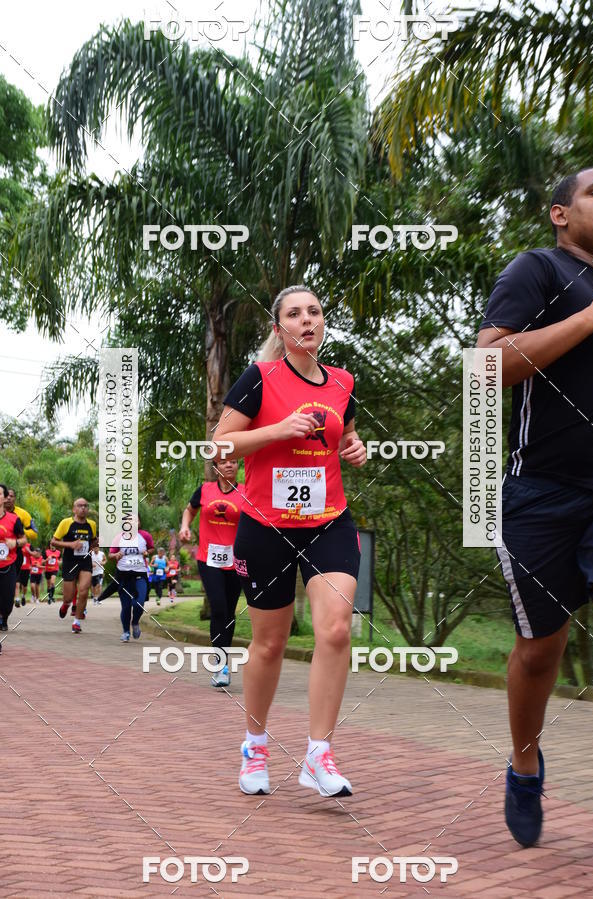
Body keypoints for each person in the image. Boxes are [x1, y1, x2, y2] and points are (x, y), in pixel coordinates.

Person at [477, 167, 593, 847]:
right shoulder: (539, 269)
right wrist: (588, 318)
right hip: (542, 490)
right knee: (537, 650)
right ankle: (525, 759)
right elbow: (486, 366)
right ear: (561, 212)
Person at [213, 285, 366, 797]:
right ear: (279, 329)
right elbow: (220, 443)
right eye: (294, 314)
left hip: (329, 520)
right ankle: (254, 744)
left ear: (323, 324)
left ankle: (318, 754)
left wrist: (352, 446)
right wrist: (278, 430)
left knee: (336, 630)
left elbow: (338, 434)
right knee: (271, 643)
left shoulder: (342, 381)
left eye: (315, 312)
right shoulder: (260, 378)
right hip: (267, 524)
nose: (307, 320)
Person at [179, 459, 245, 687]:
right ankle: (221, 664)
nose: (229, 466)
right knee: (218, 607)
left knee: (229, 611)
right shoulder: (205, 490)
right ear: (216, 469)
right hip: (209, 559)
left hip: (236, 560)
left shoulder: (246, 492)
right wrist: (184, 527)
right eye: (224, 463)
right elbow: (189, 511)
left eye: (234, 462)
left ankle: (223, 661)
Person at [52, 498, 96, 634]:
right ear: (74, 509)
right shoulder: (66, 523)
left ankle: (77, 622)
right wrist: (70, 545)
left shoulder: (92, 525)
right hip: (70, 561)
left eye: (85, 506)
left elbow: (93, 541)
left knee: (83, 591)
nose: (83, 508)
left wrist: (96, 543)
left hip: (85, 561)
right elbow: (54, 542)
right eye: (80, 506)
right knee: (68, 597)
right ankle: (66, 605)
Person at [109, 518, 154, 642]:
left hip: (140, 575)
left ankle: (135, 622)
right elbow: (110, 555)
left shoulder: (145, 536)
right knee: (126, 607)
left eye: (136, 520)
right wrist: (116, 555)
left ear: (139, 523)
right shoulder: (118, 537)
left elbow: (151, 548)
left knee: (138, 603)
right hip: (123, 576)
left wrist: (146, 553)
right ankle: (126, 632)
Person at [0, 483, 27, 643]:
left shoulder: (13, 519)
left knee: (7, 599)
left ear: (4, 498)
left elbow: (24, 539)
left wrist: (14, 543)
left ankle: (4, 616)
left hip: (8, 564)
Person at [14, 541, 31, 608]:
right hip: (18, 568)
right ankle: (17, 600)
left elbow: (35, 554)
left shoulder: (29, 546)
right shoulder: (15, 545)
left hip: (26, 569)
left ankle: (23, 596)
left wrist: (29, 551)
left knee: (25, 586)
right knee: (17, 584)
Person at [91, 540, 106, 604]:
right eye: (94, 548)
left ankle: (99, 599)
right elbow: (86, 561)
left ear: (99, 548)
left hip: (100, 571)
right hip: (93, 572)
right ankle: (95, 598)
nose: (96, 549)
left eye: (97, 548)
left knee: (99, 585)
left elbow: (105, 560)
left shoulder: (102, 553)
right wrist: (91, 564)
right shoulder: (90, 554)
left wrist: (103, 562)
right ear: (92, 548)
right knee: (94, 586)